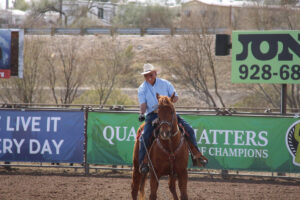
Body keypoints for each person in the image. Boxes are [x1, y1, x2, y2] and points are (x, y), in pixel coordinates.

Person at [137, 63, 207, 173]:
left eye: (150, 74)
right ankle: (143, 163)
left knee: (189, 129)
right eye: (146, 75)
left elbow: (176, 97)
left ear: (155, 73)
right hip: (152, 114)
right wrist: (141, 113)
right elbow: (143, 104)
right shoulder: (142, 88)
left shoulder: (165, 84)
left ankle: (196, 155)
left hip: (169, 113)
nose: (148, 77)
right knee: (144, 137)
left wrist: (169, 102)